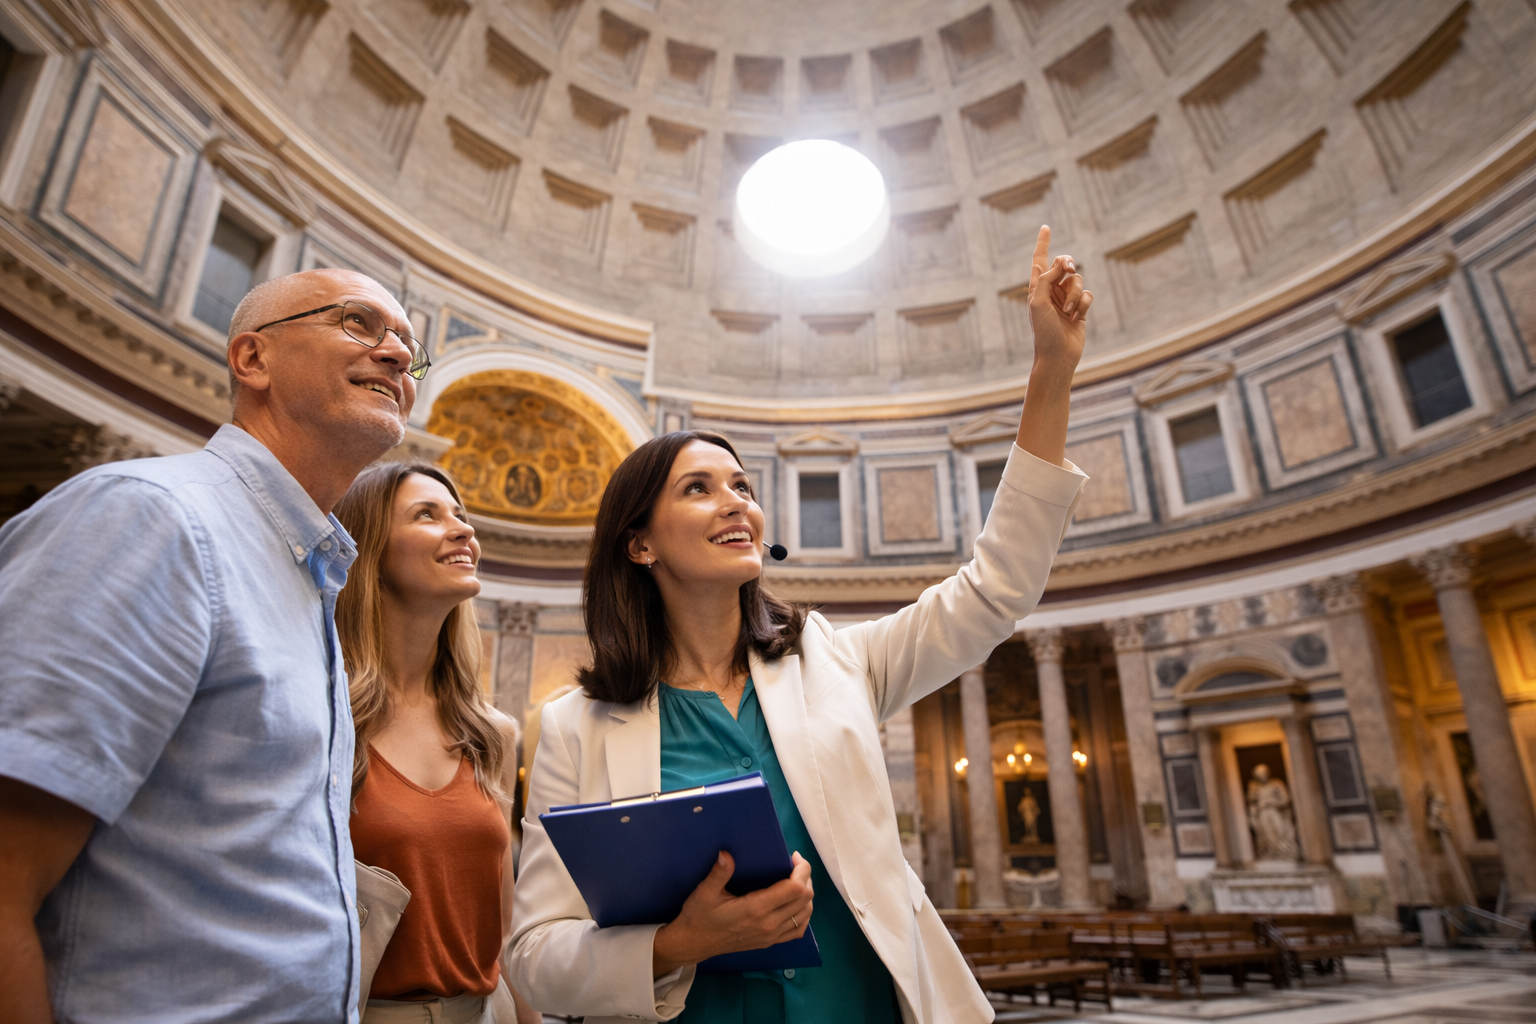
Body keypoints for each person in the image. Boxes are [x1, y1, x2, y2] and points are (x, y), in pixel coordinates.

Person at [508, 227, 1092, 1024]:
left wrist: (1051, 373)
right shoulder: (575, 728)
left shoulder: (839, 666)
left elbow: (995, 590)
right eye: (699, 489)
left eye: (743, 486)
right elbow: (535, 957)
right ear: (638, 543)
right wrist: (676, 943)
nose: (737, 503)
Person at [0, 268, 428, 1023]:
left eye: (407, 343)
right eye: (359, 324)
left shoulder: (308, 576)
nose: (396, 353)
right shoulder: (153, 520)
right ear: (252, 360)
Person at [333, 461, 541, 1024]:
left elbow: (503, 923)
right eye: (427, 514)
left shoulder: (490, 733)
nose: (463, 529)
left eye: (461, 515)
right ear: (369, 548)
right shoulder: (325, 714)